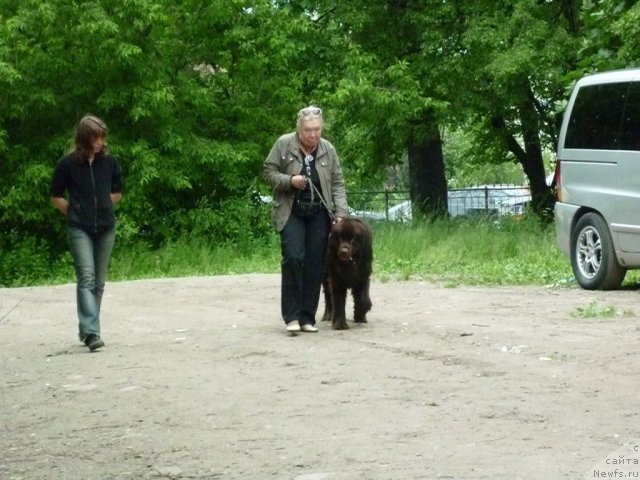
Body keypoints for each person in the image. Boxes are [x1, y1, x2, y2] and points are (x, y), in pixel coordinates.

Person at [264, 106, 349, 333]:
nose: (313, 135)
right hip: (291, 211)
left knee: (315, 264)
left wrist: (341, 214)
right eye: (308, 130)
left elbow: (338, 182)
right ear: (298, 129)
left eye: (317, 129)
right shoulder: (283, 144)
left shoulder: (328, 149)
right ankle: (291, 317)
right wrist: (289, 180)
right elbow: (268, 172)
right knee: (293, 257)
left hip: (319, 214)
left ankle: (307, 318)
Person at [50, 115, 123, 352]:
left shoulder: (110, 162)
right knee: (87, 278)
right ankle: (92, 332)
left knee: (99, 283)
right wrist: (74, 212)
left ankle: (88, 328)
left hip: (105, 227)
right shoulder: (67, 164)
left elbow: (117, 192)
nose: (101, 142)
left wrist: (102, 205)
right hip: (79, 227)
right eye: (96, 137)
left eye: (102, 137)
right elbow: (56, 195)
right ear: (85, 138)